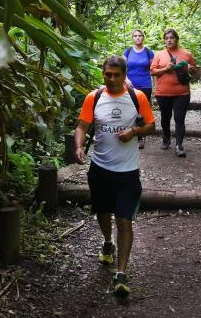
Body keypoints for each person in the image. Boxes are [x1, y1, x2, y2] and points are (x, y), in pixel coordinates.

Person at [75, 55, 156, 298]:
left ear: (124, 75)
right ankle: (107, 242)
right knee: (102, 212)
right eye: (107, 74)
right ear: (103, 74)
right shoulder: (94, 97)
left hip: (127, 171)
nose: (111, 79)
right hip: (100, 168)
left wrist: (134, 131)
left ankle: (121, 273)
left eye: (116, 75)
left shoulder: (137, 97)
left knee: (124, 220)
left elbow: (151, 125)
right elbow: (82, 126)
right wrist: (78, 147)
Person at [150, 28, 197, 157]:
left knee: (179, 119)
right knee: (165, 118)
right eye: (167, 38)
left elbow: (195, 72)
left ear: (177, 39)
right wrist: (166, 68)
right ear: (164, 41)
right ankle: (166, 138)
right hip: (163, 93)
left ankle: (179, 145)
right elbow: (152, 71)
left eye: (172, 38)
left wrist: (191, 69)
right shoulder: (159, 55)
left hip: (182, 93)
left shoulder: (186, 54)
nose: (169, 40)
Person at [123, 29, 155, 149]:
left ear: (143, 37)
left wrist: (156, 86)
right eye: (135, 36)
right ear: (132, 38)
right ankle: (129, 133)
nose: (137, 37)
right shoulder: (128, 51)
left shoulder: (148, 52)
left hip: (145, 85)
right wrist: (126, 79)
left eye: (140, 35)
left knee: (142, 111)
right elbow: (121, 67)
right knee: (131, 110)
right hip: (130, 86)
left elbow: (153, 70)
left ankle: (141, 136)